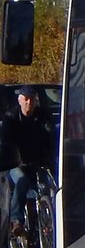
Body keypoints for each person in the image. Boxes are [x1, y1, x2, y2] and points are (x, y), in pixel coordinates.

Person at [1, 86, 55, 234]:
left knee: (49, 184)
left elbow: (50, 136)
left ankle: (48, 220)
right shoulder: (11, 118)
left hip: (38, 161)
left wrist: (49, 156)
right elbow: (6, 143)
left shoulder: (43, 116)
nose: (29, 102)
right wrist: (16, 158)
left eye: (32, 99)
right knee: (22, 181)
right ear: (20, 100)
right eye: (26, 99)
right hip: (16, 163)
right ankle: (16, 221)